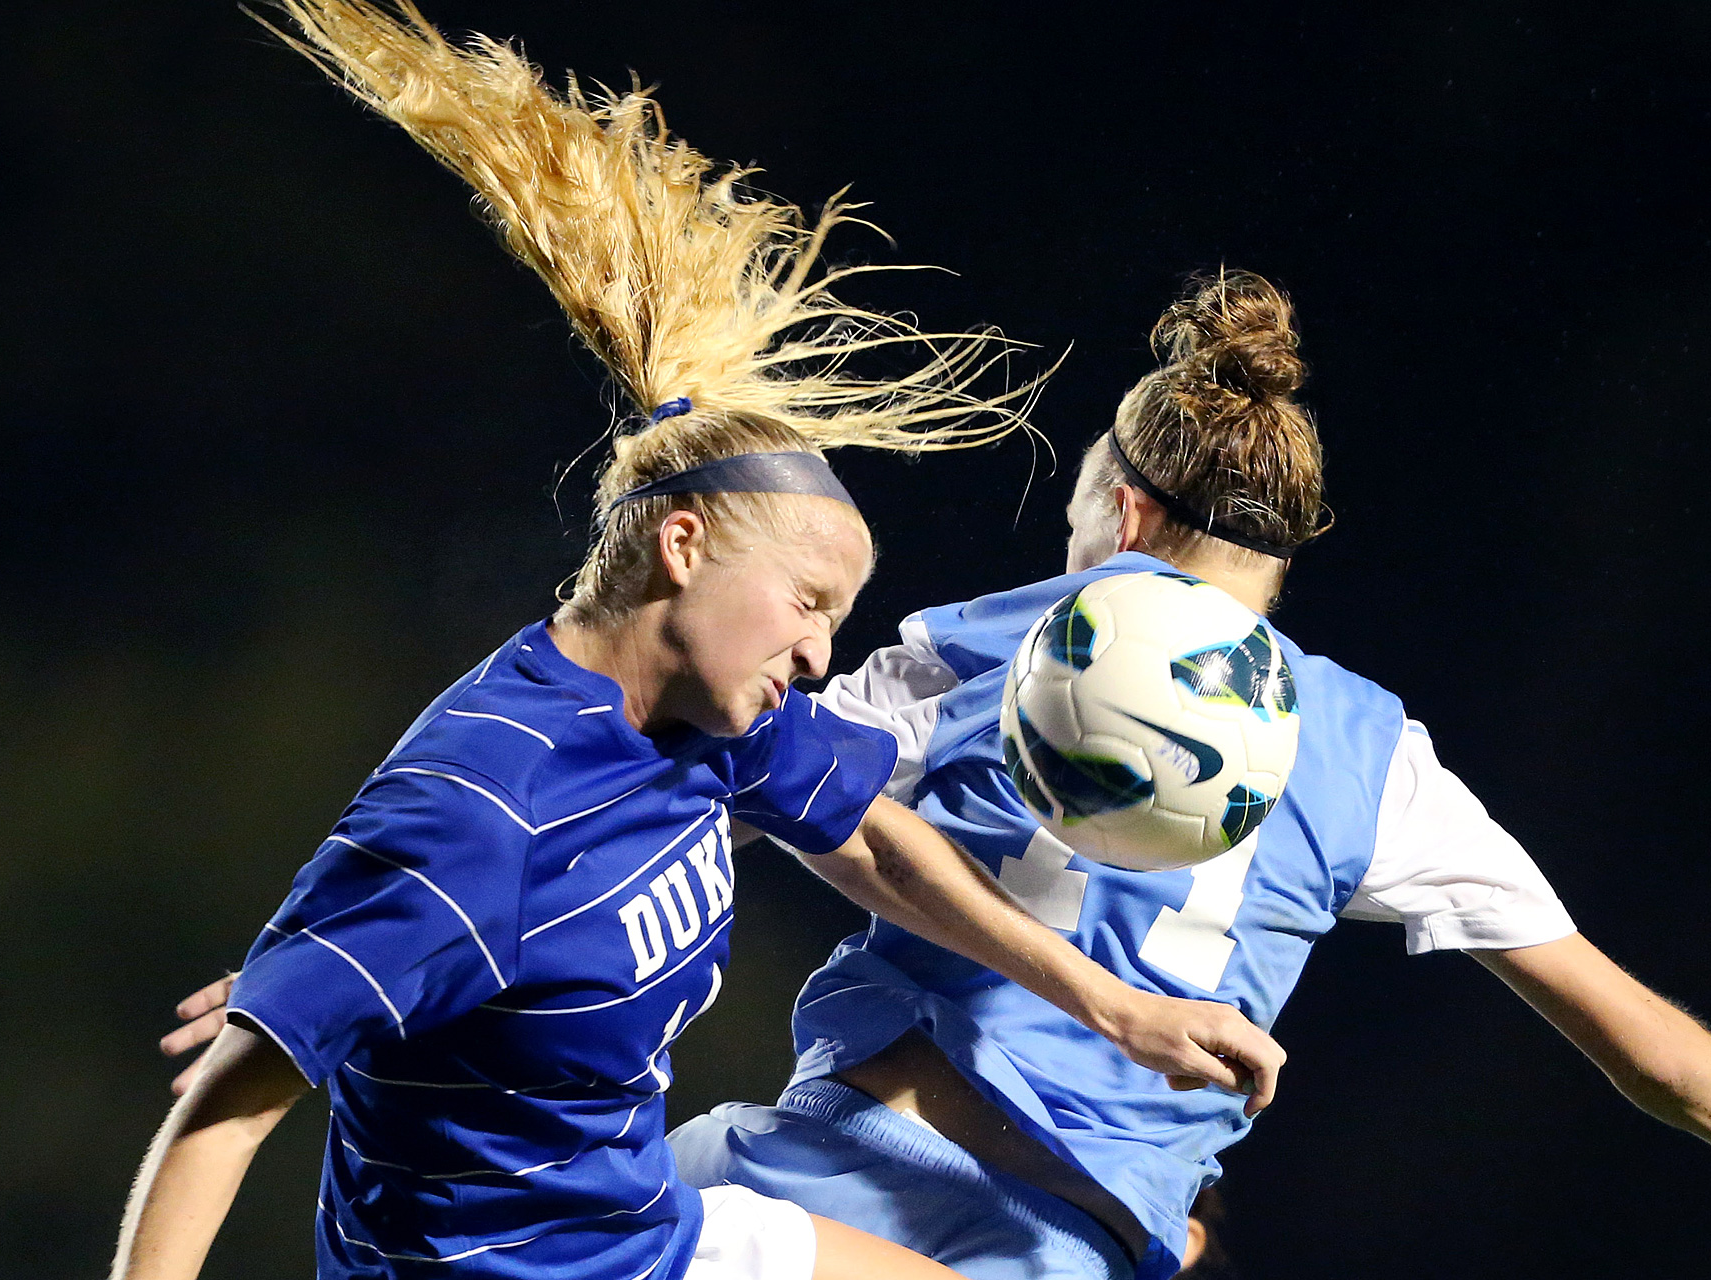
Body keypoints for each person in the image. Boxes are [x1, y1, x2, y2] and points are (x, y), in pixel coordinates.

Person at [113, 7, 1282, 1280]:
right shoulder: (481, 812)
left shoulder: (709, 720)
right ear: (680, 548)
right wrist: (321, 988)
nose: (822, 656)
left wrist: (1115, 1004)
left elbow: (881, 844)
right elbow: (219, 1116)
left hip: (644, 1235)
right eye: (808, 603)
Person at [653, 272, 1711, 1278]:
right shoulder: (1375, 758)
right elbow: (1631, 1036)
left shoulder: (983, 643)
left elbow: (703, 819)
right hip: (1056, 1254)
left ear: (1127, 513)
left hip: (812, 1184)